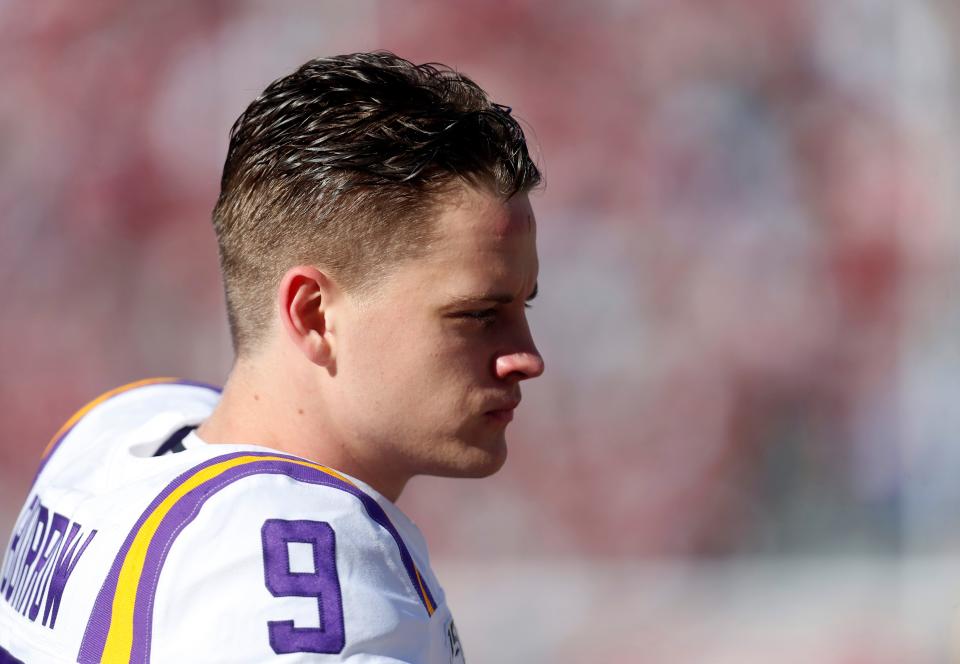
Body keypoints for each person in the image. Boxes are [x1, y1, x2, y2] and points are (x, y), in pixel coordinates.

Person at [0, 51, 544, 663]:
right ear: (313, 314)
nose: (527, 357)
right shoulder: (304, 585)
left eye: (526, 304)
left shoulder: (118, 428)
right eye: (477, 315)